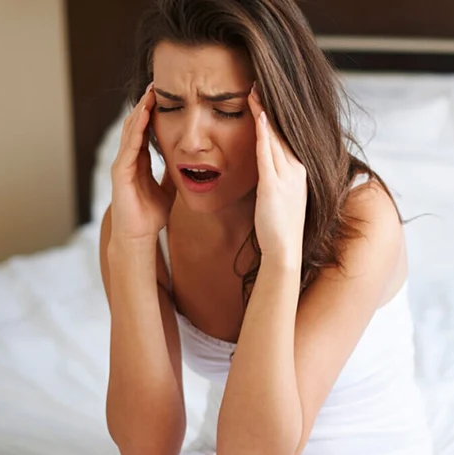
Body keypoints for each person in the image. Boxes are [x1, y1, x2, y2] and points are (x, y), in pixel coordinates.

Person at [98, 0, 433, 454]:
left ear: (281, 112)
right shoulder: (139, 223)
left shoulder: (361, 218)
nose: (191, 140)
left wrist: (279, 256)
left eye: (228, 110)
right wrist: (133, 246)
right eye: (172, 106)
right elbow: (147, 446)